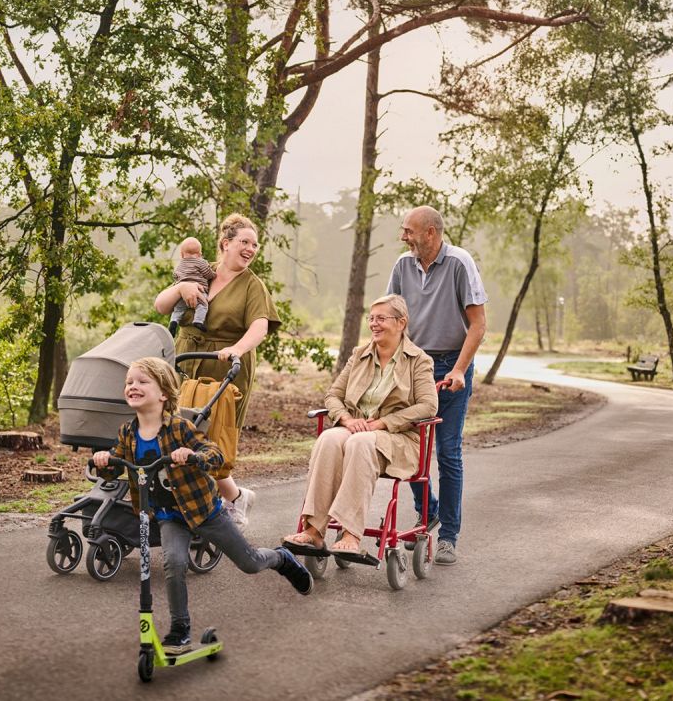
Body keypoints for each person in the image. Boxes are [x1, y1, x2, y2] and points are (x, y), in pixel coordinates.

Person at [92, 357, 312, 654]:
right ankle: (180, 629)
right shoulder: (127, 433)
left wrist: (193, 456)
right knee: (174, 564)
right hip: (169, 516)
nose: (133, 386)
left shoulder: (180, 428)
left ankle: (282, 558)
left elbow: (215, 454)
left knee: (249, 563)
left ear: (164, 394)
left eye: (143, 381)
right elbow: (114, 467)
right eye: (129, 382)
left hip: (205, 512)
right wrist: (104, 460)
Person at [281, 295, 438, 556]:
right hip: (357, 428)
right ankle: (313, 530)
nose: (374, 324)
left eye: (381, 319)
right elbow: (333, 395)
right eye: (371, 318)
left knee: (360, 441)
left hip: (398, 439)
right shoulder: (360, 355)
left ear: (401, 323)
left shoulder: (418, 360)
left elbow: (428, 406)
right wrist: (346, 419)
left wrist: (382, 423)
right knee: (329, 439)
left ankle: (351, 532)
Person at [153, 213, 280, 530]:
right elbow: (160, 305)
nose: (250, 248)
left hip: (225, 367)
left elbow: (260, 326)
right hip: (185, 360)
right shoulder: (201, 272)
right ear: (225, 244)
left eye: (254, 244)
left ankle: (227, 499)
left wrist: (237, 348)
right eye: (244, 242)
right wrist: (181, 286)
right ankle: (229, 496)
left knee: (210, 437)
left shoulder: (252, 285)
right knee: (176, 430)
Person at [385, 206, 487, 566]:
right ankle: (427, 511)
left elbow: (478, 324)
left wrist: (460, 370)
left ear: (431, 233)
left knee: (447, 452)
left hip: (449, 367)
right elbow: (391, 319)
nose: (404, 237)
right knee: (410, 447)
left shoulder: (459, 263)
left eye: (409, 231)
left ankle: (448, 538)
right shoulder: (402, 266)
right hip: (414, 366)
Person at [168, 236, 217, 334]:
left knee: (178, 309)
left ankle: (173, 321)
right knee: (203, 305)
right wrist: (214, 274)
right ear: (200, 254)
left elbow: (176, 276)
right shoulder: (201, 262)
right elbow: (208, 274)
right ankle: (198, 321)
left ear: (181, 254)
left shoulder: (180, 264)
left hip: (182, 294)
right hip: (198, 292)